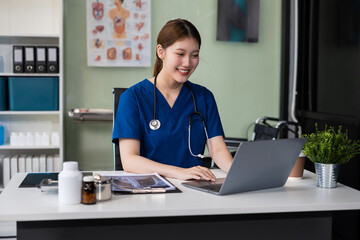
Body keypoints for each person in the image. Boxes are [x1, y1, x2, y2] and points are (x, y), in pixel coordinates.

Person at [112, 19, 233, 181]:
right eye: (180, 54)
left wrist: (239, 173)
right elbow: (129, 160)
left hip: (195, 188)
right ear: (161, 52)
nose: (188, 63)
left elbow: (217, 150)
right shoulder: (133, 98)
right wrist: (178, 172)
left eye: (195, 55)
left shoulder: (204, 97)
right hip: (150, 189)